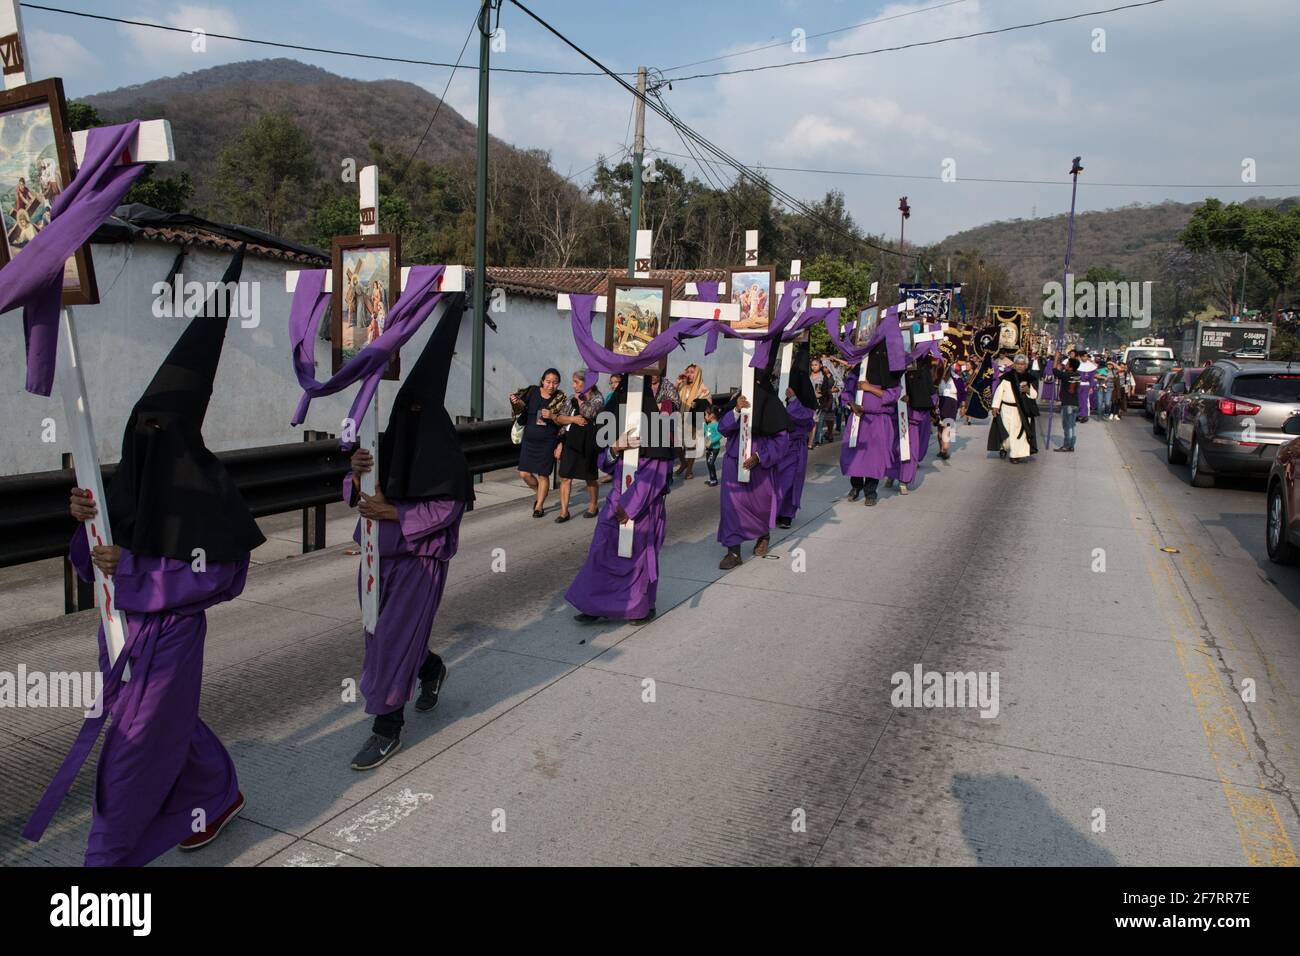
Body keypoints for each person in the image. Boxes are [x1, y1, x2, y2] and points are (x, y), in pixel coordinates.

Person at [24, 251, 262, 865]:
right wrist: (87, 526)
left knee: (131, 755)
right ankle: (219, 791)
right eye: (141, 427)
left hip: (168, 642)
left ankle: (105, 863)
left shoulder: (202, 485)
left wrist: (128, 568)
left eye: (161, 429)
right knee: (171, 729)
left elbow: (224, 574)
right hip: (118, 632)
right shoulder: (130, 482)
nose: (148, 440)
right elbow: (91, 564)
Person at [344, 300, 473, 770]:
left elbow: (447, 506)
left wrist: (394, 513)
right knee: (380, 636)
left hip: (419, 562)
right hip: (375, 560)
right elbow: (357, 498)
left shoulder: (445, 455)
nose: (411, 419)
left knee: (392, 639)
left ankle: (386, 726)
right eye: (407, 410)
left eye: (420, 410)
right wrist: (358, 472)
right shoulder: (387, 444)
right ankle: (431, 667)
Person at [565, 377, 674, 625]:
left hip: (643, 507)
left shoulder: (657, 430)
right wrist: (615, 448)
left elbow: (654, 478)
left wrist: (630, 507)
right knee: (601, 552)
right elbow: (604, 464)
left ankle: (639, 607)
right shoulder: (620, 425)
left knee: (636, 559)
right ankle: (594, 604)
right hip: (615, 501)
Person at [718, 368, 789, 569]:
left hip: (760, 465)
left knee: (759, 506)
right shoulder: (738, 401)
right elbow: (722, 428)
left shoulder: (772, 405)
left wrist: (760, 457)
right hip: (734, 461)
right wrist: (737, 411)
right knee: (731, 507)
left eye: (756, 384)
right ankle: (733, 552)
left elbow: (782, 441)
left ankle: (763, 535)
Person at [841, 332, 903, 507]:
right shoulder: (858, 371)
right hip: (858, 420)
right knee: (855, 458)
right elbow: (846, 394)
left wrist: (869, 388)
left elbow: (893, 395)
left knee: (873, 460)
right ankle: (855, 486)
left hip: (878, 422)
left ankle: (870, 492)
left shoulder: (889, 374)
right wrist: (852, 405)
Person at [775, 343, 818, 529]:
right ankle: (774, 511)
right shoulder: (782, 384)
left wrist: (792, 400)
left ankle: (786, 514)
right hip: (777, 445)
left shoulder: (805, 398)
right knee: (775, 481)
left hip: (794, 448)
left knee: (790, 481)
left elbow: (805, 417)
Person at [511, 368, 564, 517]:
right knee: (524, 474)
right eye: (548, 382)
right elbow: (522, 406)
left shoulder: (560, 398)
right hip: (529, 440)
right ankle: (539, 492)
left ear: (558, 384)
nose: (551, 385)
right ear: (542, 381)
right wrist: (517, 401)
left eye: (555, 382)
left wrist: (552, 416)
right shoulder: (533, 391)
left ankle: (539, 506)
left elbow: (564, 422)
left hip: (548, 440)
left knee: (543, 475)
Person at [884, 350, 939, 495]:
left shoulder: (922, 368)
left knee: (910, 451)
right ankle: (891, 474)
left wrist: (917, 400)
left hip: (914, 417)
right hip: (897, 416)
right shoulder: (894, 366)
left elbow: (930, 392)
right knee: (894, 448)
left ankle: (904, 480)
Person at [554, 370, 604, 522]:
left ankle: (593, 504)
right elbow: (559, 418)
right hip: (570, 442)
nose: (573, 385)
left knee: (589, 478)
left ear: (586, 383)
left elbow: (589, 413)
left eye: (577, 382)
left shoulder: (597, 398)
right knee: (565, 477)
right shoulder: (571, 398)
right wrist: (572, 419)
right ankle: (564, 511)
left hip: (588, 443)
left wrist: (581, 401)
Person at [988, 353, 1039, 463]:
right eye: (1018, 364)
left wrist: (1028, 390)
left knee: (1018, 433)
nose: (1020, 366)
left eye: (1023, 364)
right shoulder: (1007, 377)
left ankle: (1015, 455)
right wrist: (995, 406)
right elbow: (999, 392)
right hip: (1006, 409)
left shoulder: (1030, 378)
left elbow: (1034, 395)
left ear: (1026, 365)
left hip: (1020, 411)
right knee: (1005, 432)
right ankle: (1003, 447)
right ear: (1014, 365)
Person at [675, 363, 711, 480]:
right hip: (679, 418)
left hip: (693, 419)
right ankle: (683, 462)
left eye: (692, 372)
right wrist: (677, 384)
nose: (689, 374)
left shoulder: (702, 387)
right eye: (688, 371)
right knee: (676, 443)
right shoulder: (682, 385)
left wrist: (698, 402)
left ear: (697, 374)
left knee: (690, 445)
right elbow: (672, 397)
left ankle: (689, 469)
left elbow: (708, 402)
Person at [1054, 355, 1082, 452]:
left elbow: (1054, 371)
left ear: (1070, 367)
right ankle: (1071, 445)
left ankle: (1066, 445)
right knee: (1072, 425)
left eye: (1067, 364)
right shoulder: (1077, 375)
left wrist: (1056, 358)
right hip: (1075, 403)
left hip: (1068, 404)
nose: (1065, 365)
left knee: (1067, 426)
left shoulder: (1066, 375)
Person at [937, 360, 960, 460]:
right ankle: (941, 448)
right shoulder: (937, 379)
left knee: (947, 426)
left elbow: (963, 392)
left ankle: (945, 449)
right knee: (940, 428)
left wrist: (963, 405)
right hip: (939, 404)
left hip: (951, 404)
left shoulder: (956, 379)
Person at [703, 405, 722, 486]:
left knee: (710, 463)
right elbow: (706, 433)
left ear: (712, 415)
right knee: (708, 463)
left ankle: (714, 480)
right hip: (709, 448)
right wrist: (704, 425)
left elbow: (720, 435)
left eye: (706, 414)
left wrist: (711, 442)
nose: (705, 416)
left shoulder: (716, 424)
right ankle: (712, 479)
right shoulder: (709, 424)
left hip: (714, 448)